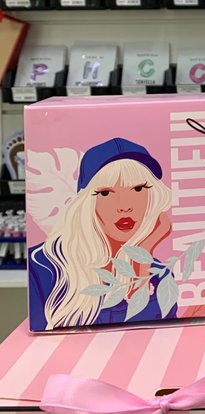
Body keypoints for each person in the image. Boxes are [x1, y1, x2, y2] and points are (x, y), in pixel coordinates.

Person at [29, 137, 176, 331]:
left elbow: (150, 335)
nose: (125, 206)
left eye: (138, 189)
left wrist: (143, 255)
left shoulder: (158, 275)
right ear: (86, 202)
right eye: (106, 193)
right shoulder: (41, 267)